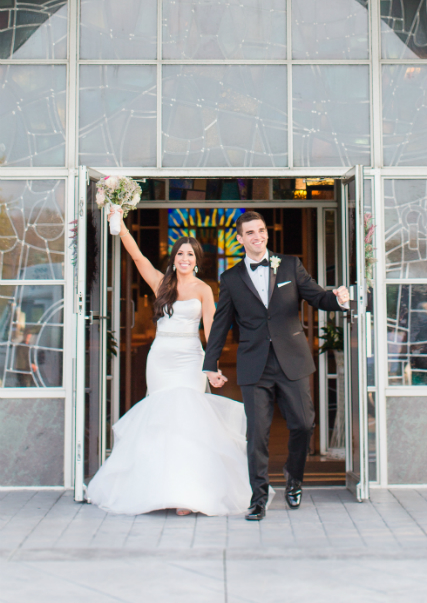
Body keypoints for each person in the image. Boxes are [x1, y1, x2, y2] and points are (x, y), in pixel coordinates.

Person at [87, 212, 252, 516]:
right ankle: (159, 489)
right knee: (161, 421)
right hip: (161, 358)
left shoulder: (204, 290)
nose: (185, 258)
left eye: (190, 254)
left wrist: (212, 367)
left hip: (190, 358)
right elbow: (137, 257)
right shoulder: (161, 283)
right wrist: (120, 225)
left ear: (197, 260)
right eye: (180, 253)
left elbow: (212, 330)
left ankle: (187, 493)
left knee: (188, 421)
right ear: (174, 258)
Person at [203, 211, 349, 521]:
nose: (258, 236)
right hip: (254, 364)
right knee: (257, 433)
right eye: (250, 232)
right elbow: (221, 323)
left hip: (292, 359)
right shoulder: (230, 278)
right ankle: (259, 497)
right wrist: (210, 362)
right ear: (240, 239)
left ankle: (294, 480)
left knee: (303, 424)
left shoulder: (291, 264)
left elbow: (317, 297)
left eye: (261, 230)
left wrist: (339, 299)